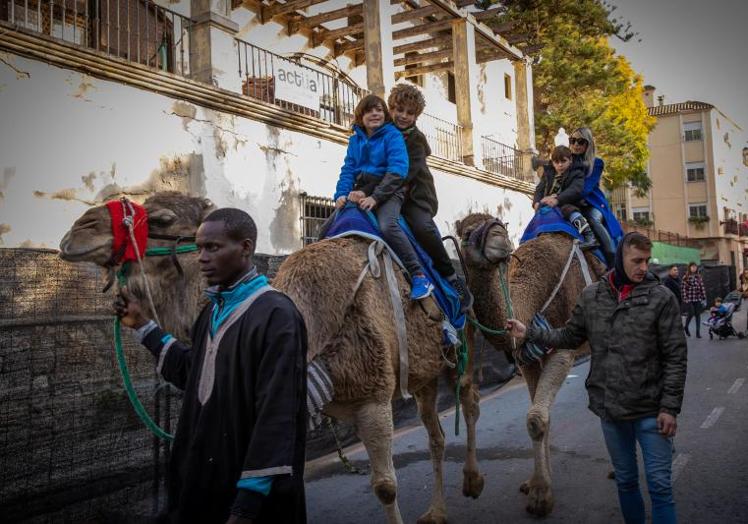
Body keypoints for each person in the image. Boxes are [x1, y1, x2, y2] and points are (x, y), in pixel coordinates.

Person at [115, 208, 308, 524]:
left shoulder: (276, 315)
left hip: (249, 499)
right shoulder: (212, 312)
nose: (201, 257)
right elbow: (193, 373)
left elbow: (278, 413)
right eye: (199, 247)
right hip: (203, 482)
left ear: (245, 248)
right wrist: (141, 325)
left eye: (213, 247)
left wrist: (246, 505)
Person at [506, 232, 687, 524]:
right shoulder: (592, 296)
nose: (643, 267)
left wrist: (670, 407)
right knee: (626, 483)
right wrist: (530, 332)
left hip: (652, 411)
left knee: (660, 487)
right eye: (636, 261)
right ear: (621, 259)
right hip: (612, 412)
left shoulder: (661, 298)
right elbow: (568, 336)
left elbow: (676, 357)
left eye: (646, 261)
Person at [334, 93, 433, 300]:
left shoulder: (392, 135)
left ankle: (418, 274)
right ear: (360, 116)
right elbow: (348, 169)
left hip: (389, 191)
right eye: (369, 110)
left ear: (384, 114)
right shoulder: (355, 140)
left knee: (388, 225)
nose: (374, 114)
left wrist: (376, 197)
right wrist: (341, 194)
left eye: (379, 110)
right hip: (362, 190)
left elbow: (398, 170)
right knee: (330, 226)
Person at [386, 83, 473, 311]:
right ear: (390, 107)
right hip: (388, 193)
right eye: (399, 109)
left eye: (409, 112)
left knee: (422, 227)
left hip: (415, 196)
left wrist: (378, 191)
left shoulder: (416, 141)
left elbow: (406, 173)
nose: (403, 116)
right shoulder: (382, 132)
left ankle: (451, 276)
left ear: (417, 116)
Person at [568, 127, 624, 266]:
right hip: (572, 203)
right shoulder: (566, 162)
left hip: (592, 203)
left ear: (588, 144)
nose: (575, 144)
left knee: (593, 219)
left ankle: (612, 260)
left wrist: (564, 197)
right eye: (572, 140)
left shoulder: (596, 163)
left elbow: (586, 188)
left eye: (580, 141)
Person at [533, 145, 598, 250]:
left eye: (563, 161)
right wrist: (536, 202)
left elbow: (575, 189)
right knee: (539, 214)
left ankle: (589, 236)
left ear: (570, 160)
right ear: (552, 162)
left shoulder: (576, 172)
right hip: (548, 206)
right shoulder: (548, 172)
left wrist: (557, 199)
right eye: (556, 162)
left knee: (567, 209)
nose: (560, 165)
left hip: (569, 202)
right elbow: (539, 189)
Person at [681, 261, 706, 338]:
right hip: (689, 299)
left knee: (698, 315)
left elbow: (702, 287)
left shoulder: (699, 277)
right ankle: (686, 326)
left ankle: (698, 332)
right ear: (689, 268)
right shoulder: (685, 277)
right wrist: (685, 298)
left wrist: (704, 297)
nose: (694, 268)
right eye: (692, 267)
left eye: (695, 267)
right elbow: (683, 289)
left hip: (697, 298)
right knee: (691, 313)